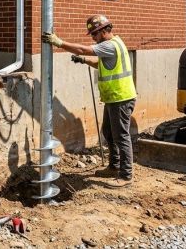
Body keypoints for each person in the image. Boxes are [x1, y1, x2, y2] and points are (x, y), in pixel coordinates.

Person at [42, 14, 137, 189]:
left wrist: (59, 42)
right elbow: (102, 64)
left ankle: (126, 175)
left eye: (94, 34)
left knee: (121, 136)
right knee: (108, 133)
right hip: (115, 98)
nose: (93, 37)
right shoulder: (115, 43)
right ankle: (114, 166)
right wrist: (84, 61)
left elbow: (84, 49)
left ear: (102, 31)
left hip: (120, 98)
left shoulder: (109, 45)